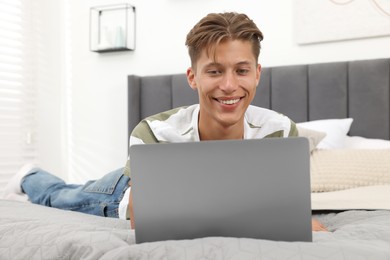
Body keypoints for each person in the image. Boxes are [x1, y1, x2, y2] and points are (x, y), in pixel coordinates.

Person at [3, 12, 327, 232]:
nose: (229, 85)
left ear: (257, 74)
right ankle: (30, 176)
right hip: (122, 193)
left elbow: (290, 213)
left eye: (241, 70)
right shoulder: (154, 134)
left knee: (71, 191)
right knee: (64, 197)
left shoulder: (281, 132)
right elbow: (144, 222)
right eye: (214, 71)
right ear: (192, 77)